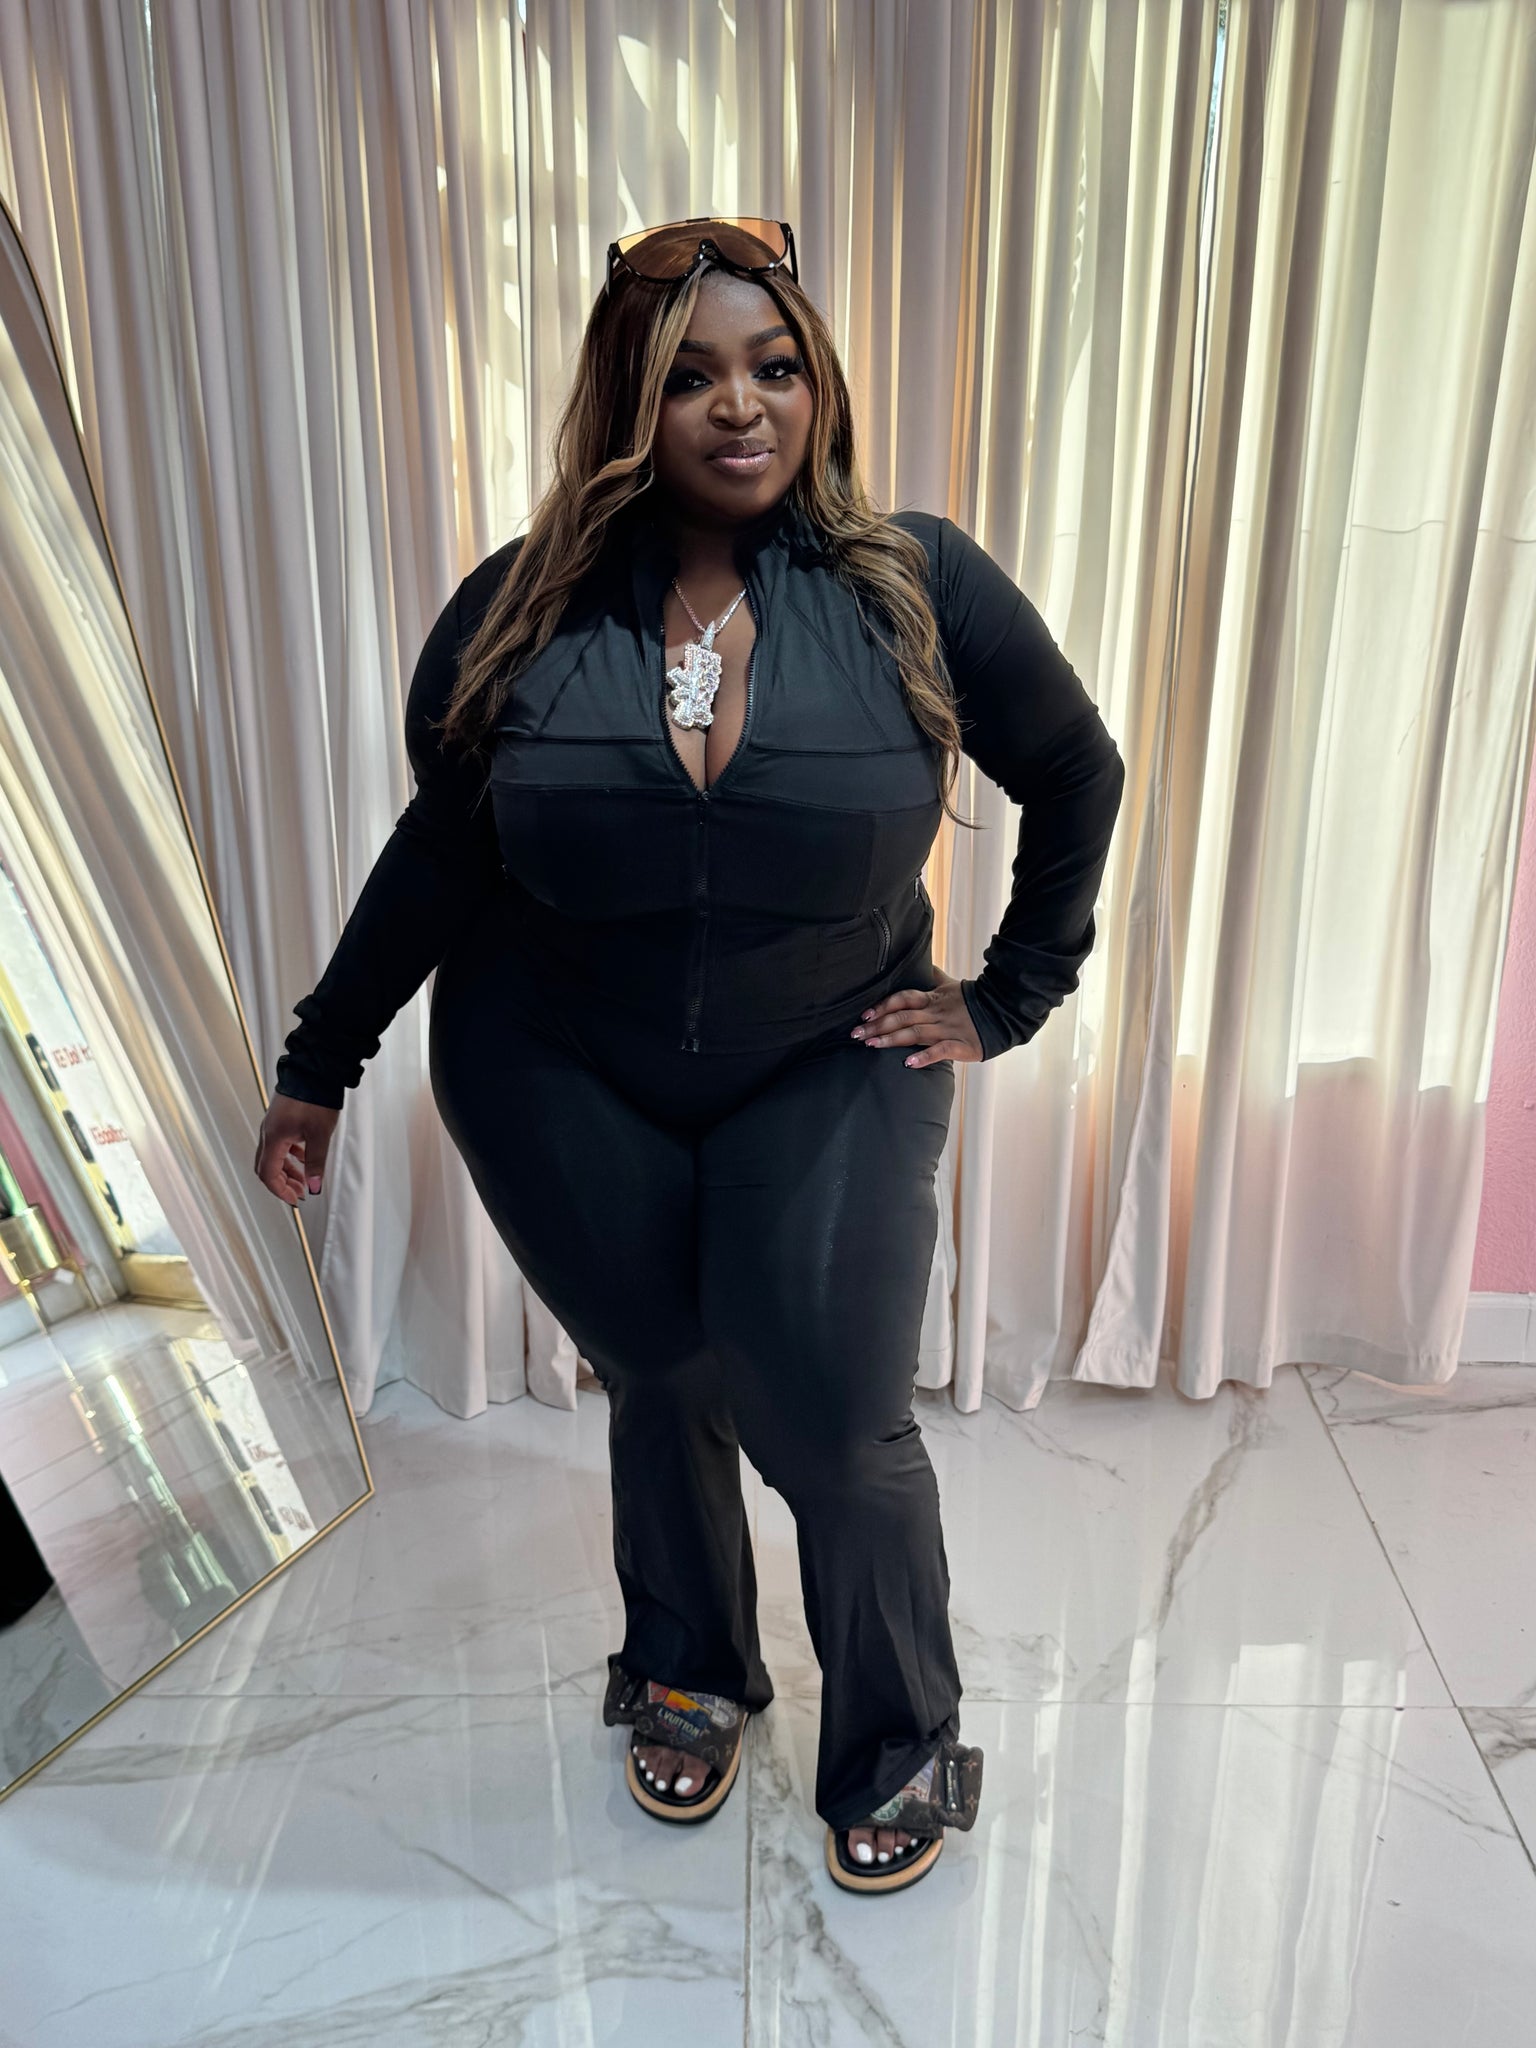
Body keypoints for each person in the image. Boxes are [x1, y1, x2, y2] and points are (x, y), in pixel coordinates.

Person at [254, 217, 1125, 1896]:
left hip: (836, 1054)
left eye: (774, 367)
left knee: (840, 1421)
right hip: (557, 1061)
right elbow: (441, 853)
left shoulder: (918, 584)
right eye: (691, 376)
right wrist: (321, 1060)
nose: (742, 406)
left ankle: (900, 1738)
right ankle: (686, 1667)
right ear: (626, 402)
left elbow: (1077, 771)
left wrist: (1012, 993)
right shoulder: (519, 606)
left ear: (818, 385)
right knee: (660, 1373)